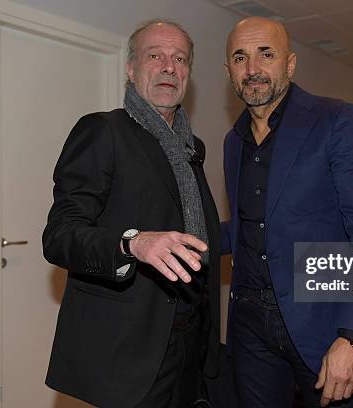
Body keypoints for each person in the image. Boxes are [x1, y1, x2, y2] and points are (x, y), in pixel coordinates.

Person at [42, 20, 221, 408]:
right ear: (131, 68)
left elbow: (194, 233)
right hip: (130, 352)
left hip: (190, 342)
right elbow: (59, 235)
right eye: (155, 56)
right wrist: (132, 243)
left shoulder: (192, 148)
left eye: (180, 59)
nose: (169, 67)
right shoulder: (103, 131)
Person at [221, 17, 353, 408]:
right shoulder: (234, 142)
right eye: (240, 57)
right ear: (228, 70)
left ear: (290, 64)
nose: (252, 70)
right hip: (249, 327)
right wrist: (172, 237)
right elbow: (251, 228)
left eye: (266, 54)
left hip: (323, 324)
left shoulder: (339, 121)